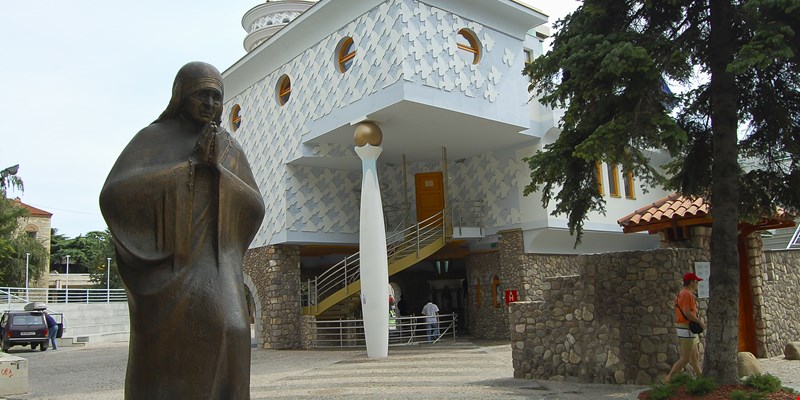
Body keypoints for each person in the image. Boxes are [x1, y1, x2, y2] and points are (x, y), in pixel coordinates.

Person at [99, 61, 265, 399]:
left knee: (233, 329)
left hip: (218, 264)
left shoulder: (229, 148)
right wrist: (190, 168)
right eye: (201, 96)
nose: (210, 105)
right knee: (184, 346)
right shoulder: (152, 138)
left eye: (216, 97)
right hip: (171, 270)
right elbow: (115, 195)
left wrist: (216, 172)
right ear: (181, 97)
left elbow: (255, 205)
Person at [664, 272, 706, 383]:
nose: (697, 284)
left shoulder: (680, 294)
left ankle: (701, 378)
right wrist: (700, 322)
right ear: (691, 282)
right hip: (687, 328)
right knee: (685, 358)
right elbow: (687, 312)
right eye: (696, 281)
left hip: (685, 328)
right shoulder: (688, 295)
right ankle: (668, 379)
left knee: (695, 356)